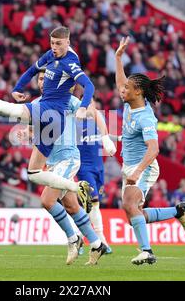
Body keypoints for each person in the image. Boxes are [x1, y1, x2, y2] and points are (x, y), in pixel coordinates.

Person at [0, 26, 115, 213]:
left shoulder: (70, 63)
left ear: (68, 42)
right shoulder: (51, 55)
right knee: (33, 174)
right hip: (46, 114)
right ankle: (77, 189)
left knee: (14, 110)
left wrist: (83, 108)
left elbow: (89, 86)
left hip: (54, 113)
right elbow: (31, 70)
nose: (54, 47)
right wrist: (17, 88)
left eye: (58, 44)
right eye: (52, 43)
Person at [17, 70, 114, 265]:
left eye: (47, 78)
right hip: (52, 163)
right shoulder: (36, 104)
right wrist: (26, 134)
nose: (44, 82)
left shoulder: (67, 100)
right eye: (41, 79)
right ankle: (96, 244)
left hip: (69, 159)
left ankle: (73, 238)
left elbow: (94, 113)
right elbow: (34, 131)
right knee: (71, 205)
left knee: (47, 200)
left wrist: (105, 137)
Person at [115, 36, 185, 266]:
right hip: (129, 165)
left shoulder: (146, 117)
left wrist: (138, 171)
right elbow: (120, 82)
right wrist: (118, 57)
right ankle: (177, 212)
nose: (122, 90)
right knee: (134, 214)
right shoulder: (130, 101)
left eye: (127, 88)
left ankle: (147, 251)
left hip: (144, 167)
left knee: (129, 205)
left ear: (137, 92)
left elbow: (154, 148)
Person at [75, 100, 113, 254]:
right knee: (94, 202)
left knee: (88, 207)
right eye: (88, 103)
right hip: (84, 168)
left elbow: (105, 137)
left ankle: (78, 238)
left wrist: (118, 139)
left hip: (99, 169)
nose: (92, 106)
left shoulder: (98, 121)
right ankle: (101, 240)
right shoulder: (75, 122)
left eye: (93, 102)